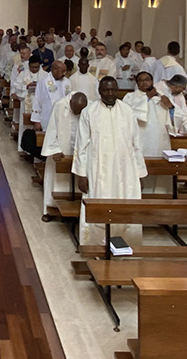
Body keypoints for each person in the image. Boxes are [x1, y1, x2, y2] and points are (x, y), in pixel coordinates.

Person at [73, 77, 146, 246]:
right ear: (100, 91)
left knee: (126, 205)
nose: (110, 93)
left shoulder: (128, 111)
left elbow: (137, 144)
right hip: (99, 169)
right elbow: (81, 145)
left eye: (113, 90)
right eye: (106, 90)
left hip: (126, 170)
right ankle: (97, 248)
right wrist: (81, 175)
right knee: (99, 204)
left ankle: (126, 246)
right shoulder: (89, 112)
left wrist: (140, 173)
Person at [40, 92, 87, 221]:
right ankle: (49, 209)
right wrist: (55, 149)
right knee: (55, 181)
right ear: (71, 103)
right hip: (60, 151)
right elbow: (52, 129)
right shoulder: (60, 105)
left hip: (78, 151)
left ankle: (74, 210)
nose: (78, 114)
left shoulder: (89, 107)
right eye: (76, 111)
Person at [31, 61, 71, 132]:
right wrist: (36, 120)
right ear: (54, 70)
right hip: (47, 116)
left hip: (63, 117)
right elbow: (37, 101)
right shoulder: (43, 82)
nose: (64, 74)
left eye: (65, 71)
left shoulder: (67, 82)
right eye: (63, 71)